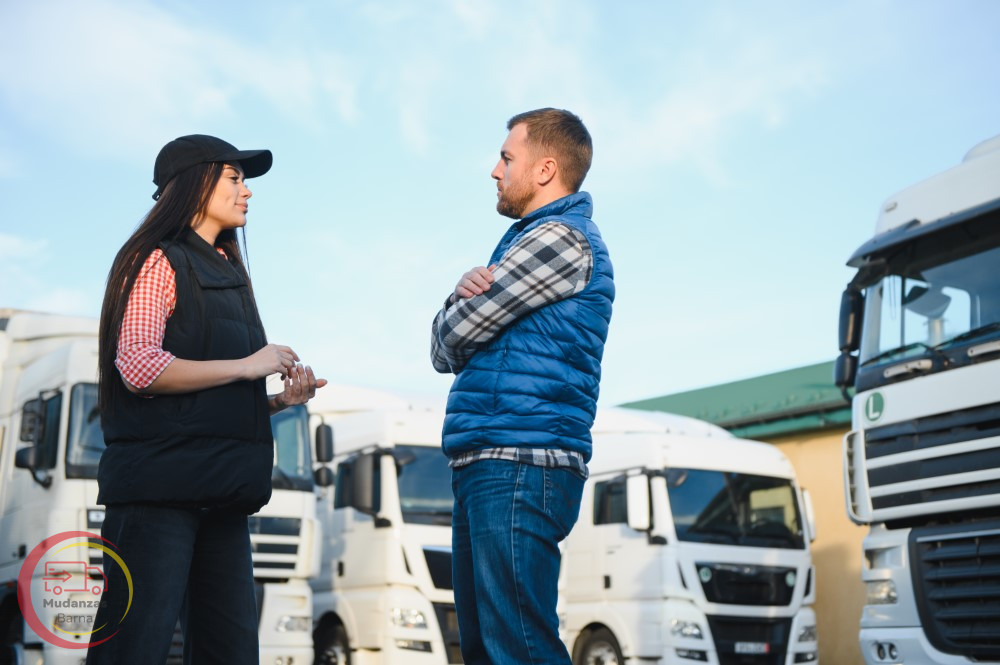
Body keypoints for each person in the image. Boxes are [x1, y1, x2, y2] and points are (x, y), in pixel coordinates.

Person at [87, 134, 326, 665]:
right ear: (194, 185)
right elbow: (139, 367)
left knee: (231, 652)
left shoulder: (230, 272)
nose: (247, 191)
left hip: (220, 494)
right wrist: (248, 366)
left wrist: (274, 401)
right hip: (156, 494)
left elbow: (205, 399)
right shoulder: (156, 260)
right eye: (234, 178)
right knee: (134, 650)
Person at [431, 108, 614, 664]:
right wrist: (458, 300)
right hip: (493, 457)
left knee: (518, 648)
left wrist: (456, 309)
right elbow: (442, 349)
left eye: (506, 158)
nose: (495, 170)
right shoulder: (525, 243)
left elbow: (453, 335)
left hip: (519, 460)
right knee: (490, 650)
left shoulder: (560, 238)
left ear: (545, 169)